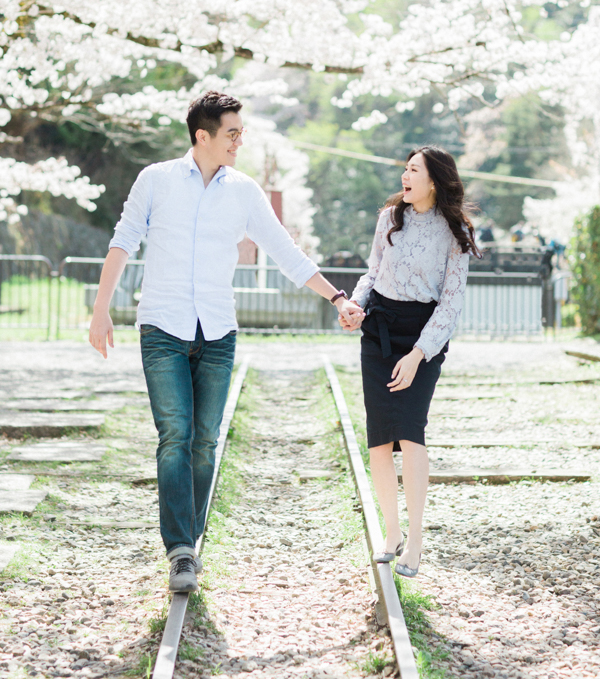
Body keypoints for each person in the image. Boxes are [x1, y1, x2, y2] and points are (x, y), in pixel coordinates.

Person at [89, 90, 364, 593]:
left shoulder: (244, 191)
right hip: (162, 326)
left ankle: (188, 541)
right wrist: (102, 308)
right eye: (232, 133)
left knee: (205, 441)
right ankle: (180, 550)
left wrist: (337, 298)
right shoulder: (156, 180)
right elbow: (123, 240)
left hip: (217, 329)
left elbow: (284, 250)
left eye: (242, 132)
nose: (241, 140)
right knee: (175, 435)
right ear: (203, 136)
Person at [339, 146, 479, 577]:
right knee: (380, 440)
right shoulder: (390, 218)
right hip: (379, 329)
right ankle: (392, 532)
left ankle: (415, 540)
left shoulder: (455, 232)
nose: (405, 175)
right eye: (405, 169)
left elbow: (451, 303)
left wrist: (419, 354)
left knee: (412, 434)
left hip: (424, 337)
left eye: (413, 170)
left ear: (433, 180)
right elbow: (372, 272)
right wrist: (356, 305)